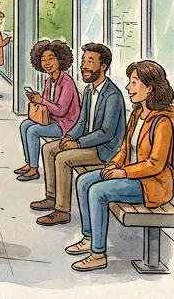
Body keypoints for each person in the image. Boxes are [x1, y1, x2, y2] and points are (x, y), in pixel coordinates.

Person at [68, 60, 173, 271]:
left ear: (149, 88)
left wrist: (122, 172)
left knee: (98, 191)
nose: (128, 88)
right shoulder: (136, 114)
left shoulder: (162, 122)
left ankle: (98, 254)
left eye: (134, 83)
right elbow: (125, 149)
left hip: (152, 185)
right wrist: (114, 165)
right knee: (84, 180)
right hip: (130, 175)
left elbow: (155, 164)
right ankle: (89, 237)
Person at [32, 43, 127, 225]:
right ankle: (51, 197)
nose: (84, 66)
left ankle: (62, 210)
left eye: (90, 62)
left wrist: (77, 144)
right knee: (49, 149)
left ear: (103, 66)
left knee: (62, 158)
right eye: (83, 61)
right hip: (89, 144)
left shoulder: (112, 95)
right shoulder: (90, 90)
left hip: (105, 151)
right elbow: (82, 122)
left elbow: (106, 133)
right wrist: (70, 137)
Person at [14, 40, 81, 182]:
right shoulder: (49, 82)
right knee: (25, 125)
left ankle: (33, 169)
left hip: (66, 125)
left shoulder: (67, 82)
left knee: (33, 131)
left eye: (51, 58)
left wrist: (41, 101)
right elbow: (46, 105)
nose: (47, 63)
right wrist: (36, 99)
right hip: (53, 120)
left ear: (60, 59)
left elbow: (61, 110)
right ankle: (29, 162)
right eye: (43, 60)